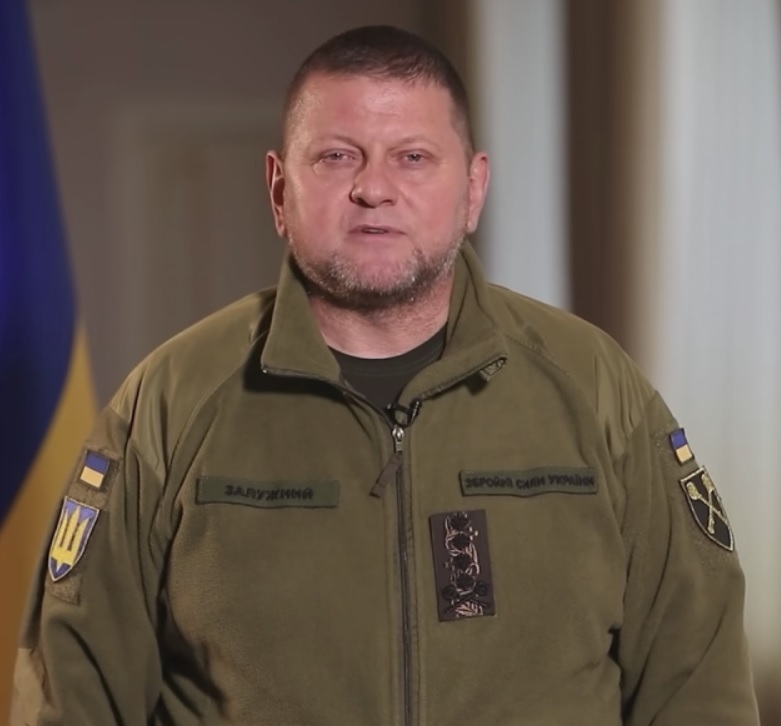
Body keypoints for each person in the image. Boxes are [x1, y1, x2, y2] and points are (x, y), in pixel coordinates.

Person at [12, 24, 759, 726]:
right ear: (279, 190)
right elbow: (71, 699)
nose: (374, 189)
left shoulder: (596, 389)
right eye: (337, 156)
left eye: (412, 157)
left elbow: (697, 683)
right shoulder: (170, 404)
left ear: (472, 190)